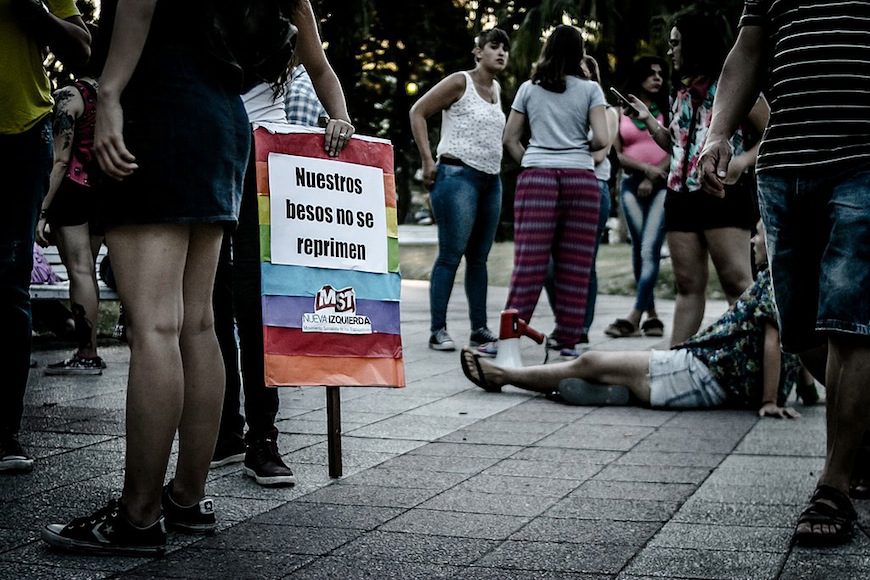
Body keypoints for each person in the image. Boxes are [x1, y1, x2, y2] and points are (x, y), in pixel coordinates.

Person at [40, 0, 263, 556]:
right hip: (221, 116)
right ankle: (186, 498)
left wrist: (110, 92)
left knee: (157, 328)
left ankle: (138, 516)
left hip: (158, 109)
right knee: (198, 324)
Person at [697, 0, 870, 547]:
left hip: (863, 157)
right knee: (801, 332)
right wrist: (717, 133)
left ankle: (835, 484)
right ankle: (860, 436)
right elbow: (748, 51)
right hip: (787, 164)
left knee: (850, 317)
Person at [211, 6, 354, 487]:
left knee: (255, 301)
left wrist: (342, 118)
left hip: (265, 154)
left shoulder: (291, 2)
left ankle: (262, 438)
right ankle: (224, 429)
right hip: (208, 143)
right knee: (209, 301)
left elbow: (320, 67)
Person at [461, 223, 805, 420]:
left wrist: (770, 401)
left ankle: (502, 375)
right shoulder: (788, 284)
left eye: (759, 234)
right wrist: (805, 390)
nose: (753, 240)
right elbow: (799, 343)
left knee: (590, 360)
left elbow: (775, 341)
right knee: (598, 370)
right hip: (702, 370)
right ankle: (612, 390)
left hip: (703, 371)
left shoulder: (776, 282)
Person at [625, 12, 768, 346]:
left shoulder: (735, 87)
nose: (670, 50)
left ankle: (756, 367)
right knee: (687, 286)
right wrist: (647, 120)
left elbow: (772, 132)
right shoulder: (681, 92)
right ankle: (676, 363)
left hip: (723, 195)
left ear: (694, 45)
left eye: (676, 43)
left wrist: (743, 161)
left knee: (737, 283)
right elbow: (675, 145)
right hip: (679, 196)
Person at [0, 0, 90, 473]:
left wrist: (32, 10)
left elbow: (81, 47)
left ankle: (5, 433)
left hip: (19, 135)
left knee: (9, 285)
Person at [502, 24, 608, 354]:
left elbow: (510, 138)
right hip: (580, 177)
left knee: (529, 262)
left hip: (537, 176)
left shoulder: (528, 89)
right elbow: (603, 139)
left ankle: (508, 338)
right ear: (579, 53)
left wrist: (533, 159)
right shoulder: (591, 89)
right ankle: (569, 340)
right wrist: (574, 149)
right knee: (576, 264)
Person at [409, 28, 511, 352]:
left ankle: (479, 330)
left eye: (505, 48)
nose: (501, 53)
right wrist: (427, 160)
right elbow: (418, 112)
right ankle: (437, 330)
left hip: (490, 181)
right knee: (451, 255)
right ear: (478, 52)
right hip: (457, 177)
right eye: (494, 46)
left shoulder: (497, 89)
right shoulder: (460, 82)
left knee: (479, 258)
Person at [36, 23, 108, 376]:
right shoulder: (115, 94)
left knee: (80, 269)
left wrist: (41, 210)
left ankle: (87, 352)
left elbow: (60, 160)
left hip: (74, 193)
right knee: (89, 269)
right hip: (106, 191)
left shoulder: (70, 96)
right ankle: (90, 350)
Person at [543, 55, 619, 356]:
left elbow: (599, 155)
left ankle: (579, 328)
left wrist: (559, 147)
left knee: (582, 263)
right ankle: (566, 321)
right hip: (562, 189)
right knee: (549, 264)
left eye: (584, 73)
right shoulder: (566, 108)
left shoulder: (607, 112)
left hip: (594, 187)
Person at [605, 56, 670, 339]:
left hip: (662, 186)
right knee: (639, 248)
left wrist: (654, 175)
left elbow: (676, 145)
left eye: (660, 74)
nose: (657, 78)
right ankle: (652, 315)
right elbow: (617, 154)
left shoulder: (669, 109)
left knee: (649, 248)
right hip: (630, 184)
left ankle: (634, 315)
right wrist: (645, 170)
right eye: (651, 73)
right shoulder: (620, 112)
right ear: (639, 76)